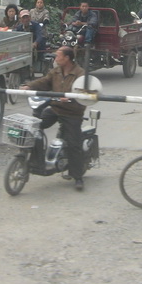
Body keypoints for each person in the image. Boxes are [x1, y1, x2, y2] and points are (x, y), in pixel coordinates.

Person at [21, 45, 87, 190]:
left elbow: (85, 94)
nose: (56, 58)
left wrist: (73, 99)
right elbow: (44, 81)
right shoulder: (56, 71)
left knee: (74, 145)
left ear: (67, 58)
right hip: (56, 108)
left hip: (72, 113)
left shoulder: (80, 74)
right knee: (35, 126)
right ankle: (37, 160)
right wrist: (29, 86)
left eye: (58, 56)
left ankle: (78, 177)